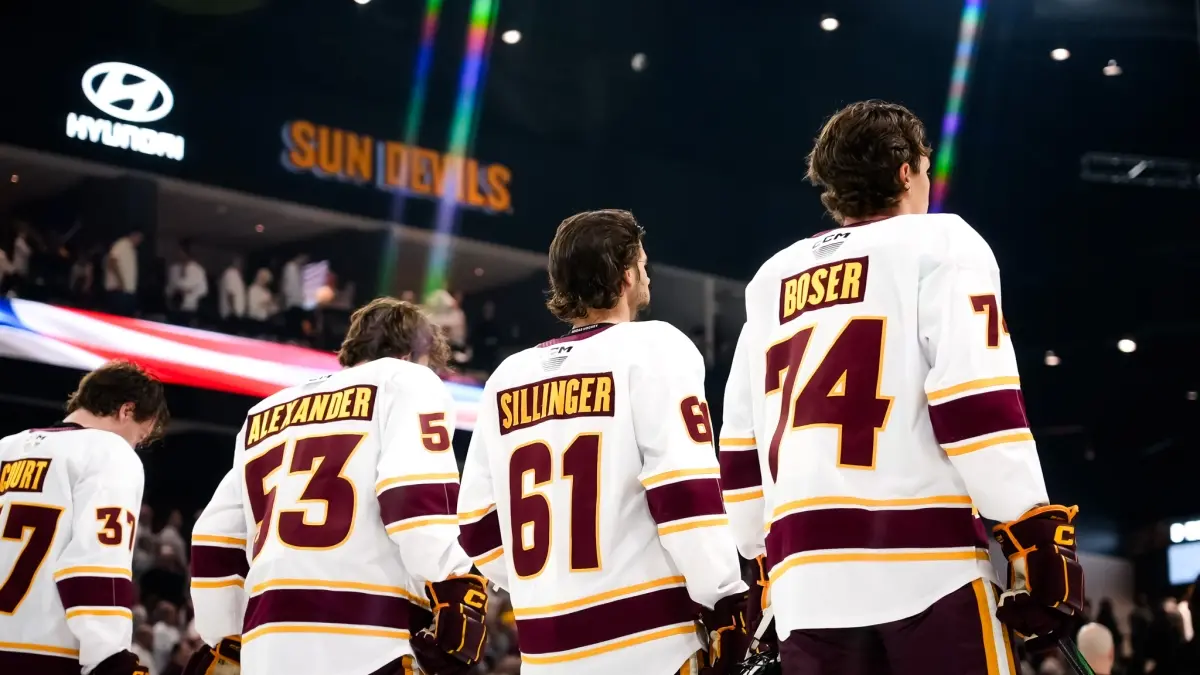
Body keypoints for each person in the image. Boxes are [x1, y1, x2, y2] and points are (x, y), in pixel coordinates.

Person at [718, 100, 1084, 675]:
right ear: (907, 172)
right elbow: (977, 406)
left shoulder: (770, 281)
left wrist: (757, 553)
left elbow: (738, 448)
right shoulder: (944, 245)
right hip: (928, 569)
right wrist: (1033, 532)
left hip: (805, 585)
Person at [456, 209, 749, 675]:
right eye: (644, 265)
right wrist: (723, 595)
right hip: (649, 644)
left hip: (546, 650)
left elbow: (474, 526)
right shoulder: (654, 348)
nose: (647, 274)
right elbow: (685, 494)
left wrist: (549, 587)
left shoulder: (506, 378)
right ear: (627, 274)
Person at [185, 297, 487, 675]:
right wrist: (455, 579)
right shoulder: (407, 380)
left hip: (267, 645)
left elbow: (213, 538)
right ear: (413, 354)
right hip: (369, 638)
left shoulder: (264, 411)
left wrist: (224, 636)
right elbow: (412, 494)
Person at [0, 360, 168, 674]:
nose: (135, 445)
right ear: (126, 411)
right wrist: (111, 659)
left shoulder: (6, 447)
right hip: (47, 655)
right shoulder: (110, 452)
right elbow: (94, 565)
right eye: (139, 437)